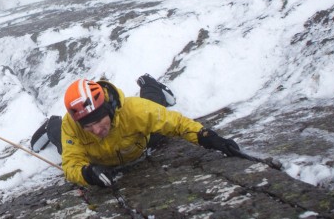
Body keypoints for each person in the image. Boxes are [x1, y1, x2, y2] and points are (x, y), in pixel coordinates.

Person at [59, 76, 242, 188]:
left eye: (99, 121)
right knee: (61, 142)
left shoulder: (134, 111)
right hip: (98, 160)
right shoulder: (71, 126)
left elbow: (176, 123)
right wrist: (87, 174)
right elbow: (71, 164)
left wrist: (207, 138)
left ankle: (150, 84)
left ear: (109, 109)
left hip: (139, 142)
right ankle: (51, 124)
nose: (96, 130)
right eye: (88, 126)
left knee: (156, 108)